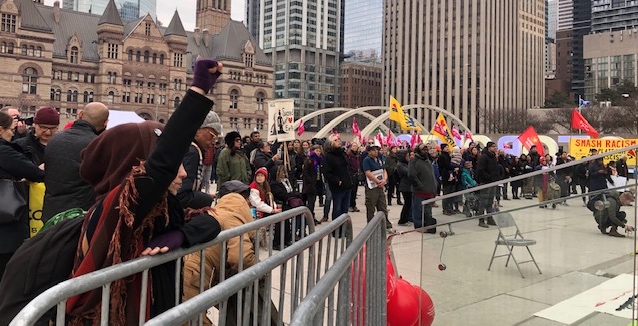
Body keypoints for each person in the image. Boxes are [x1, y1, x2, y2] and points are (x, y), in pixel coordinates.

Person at [64, 59, 224, 323]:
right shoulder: (120, 208)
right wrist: (197, 90)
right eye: (176, 167)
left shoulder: (158, 207)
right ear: (135, 165)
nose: (182, 174)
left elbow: (211, 223)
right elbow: (162, 164)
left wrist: (181, 235)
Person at [182, 180, 280, 325]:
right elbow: (241, 257)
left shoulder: (220, 211)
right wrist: (259, 270)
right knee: (192, 321)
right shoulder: (234, 216)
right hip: (193, 274)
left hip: (190, 271)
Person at [41, 102, 110, 222]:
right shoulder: (98, 145)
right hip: (79, 215)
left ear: (80, 114)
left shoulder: (55, 140)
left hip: (51, 212)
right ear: (105, 123)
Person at [0, 111, 45, 280]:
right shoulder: (4, 152)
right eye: (11, 129)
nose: (13, 133)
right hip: (6, 228)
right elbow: (35, 173)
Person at [176, 111, 221, 209]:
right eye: (212, 135)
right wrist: (206, 198)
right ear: (197, 130)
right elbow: (182, 196)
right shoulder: (192, 152)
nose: (214, 141)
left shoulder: (188, 147)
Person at [322, 133, 354, 223]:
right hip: (338, 187)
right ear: (331, 143)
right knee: (337, 209)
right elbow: (327, 172)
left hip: (347, 185)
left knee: (345, 209)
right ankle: (336, 229)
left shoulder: (342, 154)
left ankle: (343, 228)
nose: (339, 141)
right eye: (336, 140)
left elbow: (348, 167)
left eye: (339, 139)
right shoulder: (329, 156)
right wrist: (337, 181)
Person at [362, 143, 392, 230]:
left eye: (377, 150)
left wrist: (384, 180)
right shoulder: (366, 160)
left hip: (380, 186)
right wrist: (377, 181)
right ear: (369, 151)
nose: (376, 151)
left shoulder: (380, 159)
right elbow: (367, 172)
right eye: (373, 150)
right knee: (371, 206)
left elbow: (384, 170)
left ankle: (386, 224)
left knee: (383, 206)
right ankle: (371, 226)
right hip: (372, 187)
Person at [408, 144, 437, 232]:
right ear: (419, 151)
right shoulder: (414, 161)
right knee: (418, 210)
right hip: (419, 192)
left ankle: (427, 224)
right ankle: (419, 226)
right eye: (423, 150)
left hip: (429, 191)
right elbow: (412, 176)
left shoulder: (427, 160)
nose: (425, 151)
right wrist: (420, 186)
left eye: (426, 149)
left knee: (428, 211)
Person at [475, 141, 500, 228]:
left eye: (495, 146)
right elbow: (481, 170)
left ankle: (489, 218)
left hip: (493, 182)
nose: (495, 148)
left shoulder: (493, 157)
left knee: (490, 202)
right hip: (486, 182)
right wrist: (489, 177)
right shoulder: (484, 157)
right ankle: (481, 219)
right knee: (483, 202)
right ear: (489, 147)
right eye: (493, 147)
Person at [302, 145, 323, 225]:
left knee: (313, 202)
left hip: (317, 183)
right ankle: (309, 219)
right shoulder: (309, 160)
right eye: (316, 151)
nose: (318, 152)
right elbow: (305, 172)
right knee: (310, 203)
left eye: (319, 151)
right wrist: (310, 181)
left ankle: (311, 217)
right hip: (310, 185)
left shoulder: (319, 160)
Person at [396, 149, 413, 226]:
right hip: (405, 186)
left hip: (408, 185)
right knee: (407, 203)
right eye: (406, 156)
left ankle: (408, 217)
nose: (408, 157)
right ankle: (402, 220)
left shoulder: (406, 163)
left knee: (409, 203)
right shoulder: (400, 165)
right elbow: (408, 172)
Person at [347, 142, 362, 212]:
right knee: (351, 191)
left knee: (355, 191)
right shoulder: (349, 155)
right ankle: (350, 205)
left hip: (357, 174)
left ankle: (354, 205)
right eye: (354, 146)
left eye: (356, 146)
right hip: (351, 174)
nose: (355, 147)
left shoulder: (358, 155)